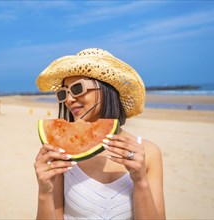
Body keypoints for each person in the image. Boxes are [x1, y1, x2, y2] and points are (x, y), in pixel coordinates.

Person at [34, 48, 165, 219]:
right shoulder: (61, 151)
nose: (68, 100)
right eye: (63, 93)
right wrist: (44, 192)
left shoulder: (149, 152)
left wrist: (140, 181)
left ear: (106, 89)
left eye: (77, 88)